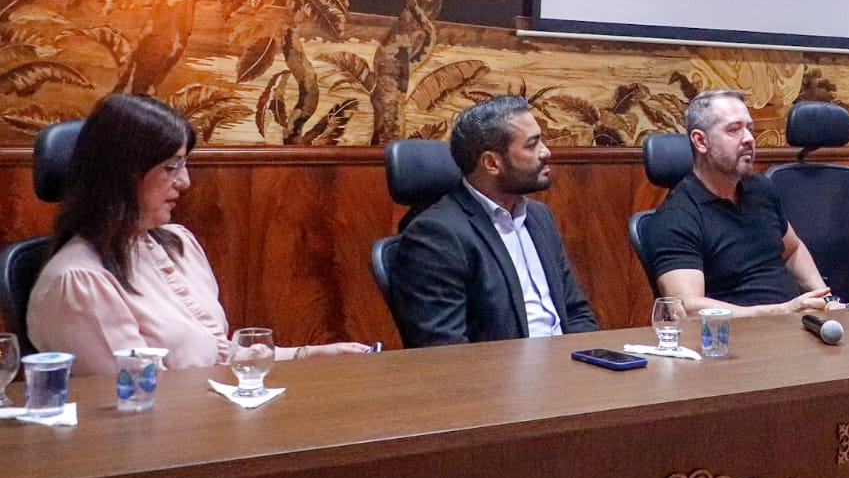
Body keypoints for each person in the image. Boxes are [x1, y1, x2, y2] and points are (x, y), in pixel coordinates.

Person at [28, 94, 371, 376]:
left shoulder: (177, 243)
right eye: (171, 167)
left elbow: (216, 355)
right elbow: (140, 398)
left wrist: (308, 355)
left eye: (184, 164)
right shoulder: (79, 281)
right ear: (122, 174)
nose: (185, 182)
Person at [390, 95, 599, 347]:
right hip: (501, 380)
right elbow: (444, 351)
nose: (546, 152)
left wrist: (586, 361)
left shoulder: (539, 216)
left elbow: (576, 312)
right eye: (532, 145)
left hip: (565, 370)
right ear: (492, 163)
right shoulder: (436, 234)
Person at [643, 90, 834, 315]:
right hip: (734, 339)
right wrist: (781, 311)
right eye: (734, 130)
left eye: (750, 129)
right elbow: (687, 308)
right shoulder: (676, 217)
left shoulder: (761, 189)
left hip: (795, 326)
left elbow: (792, 250)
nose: (749, 138)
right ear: (701, 141)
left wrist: (826, 299)